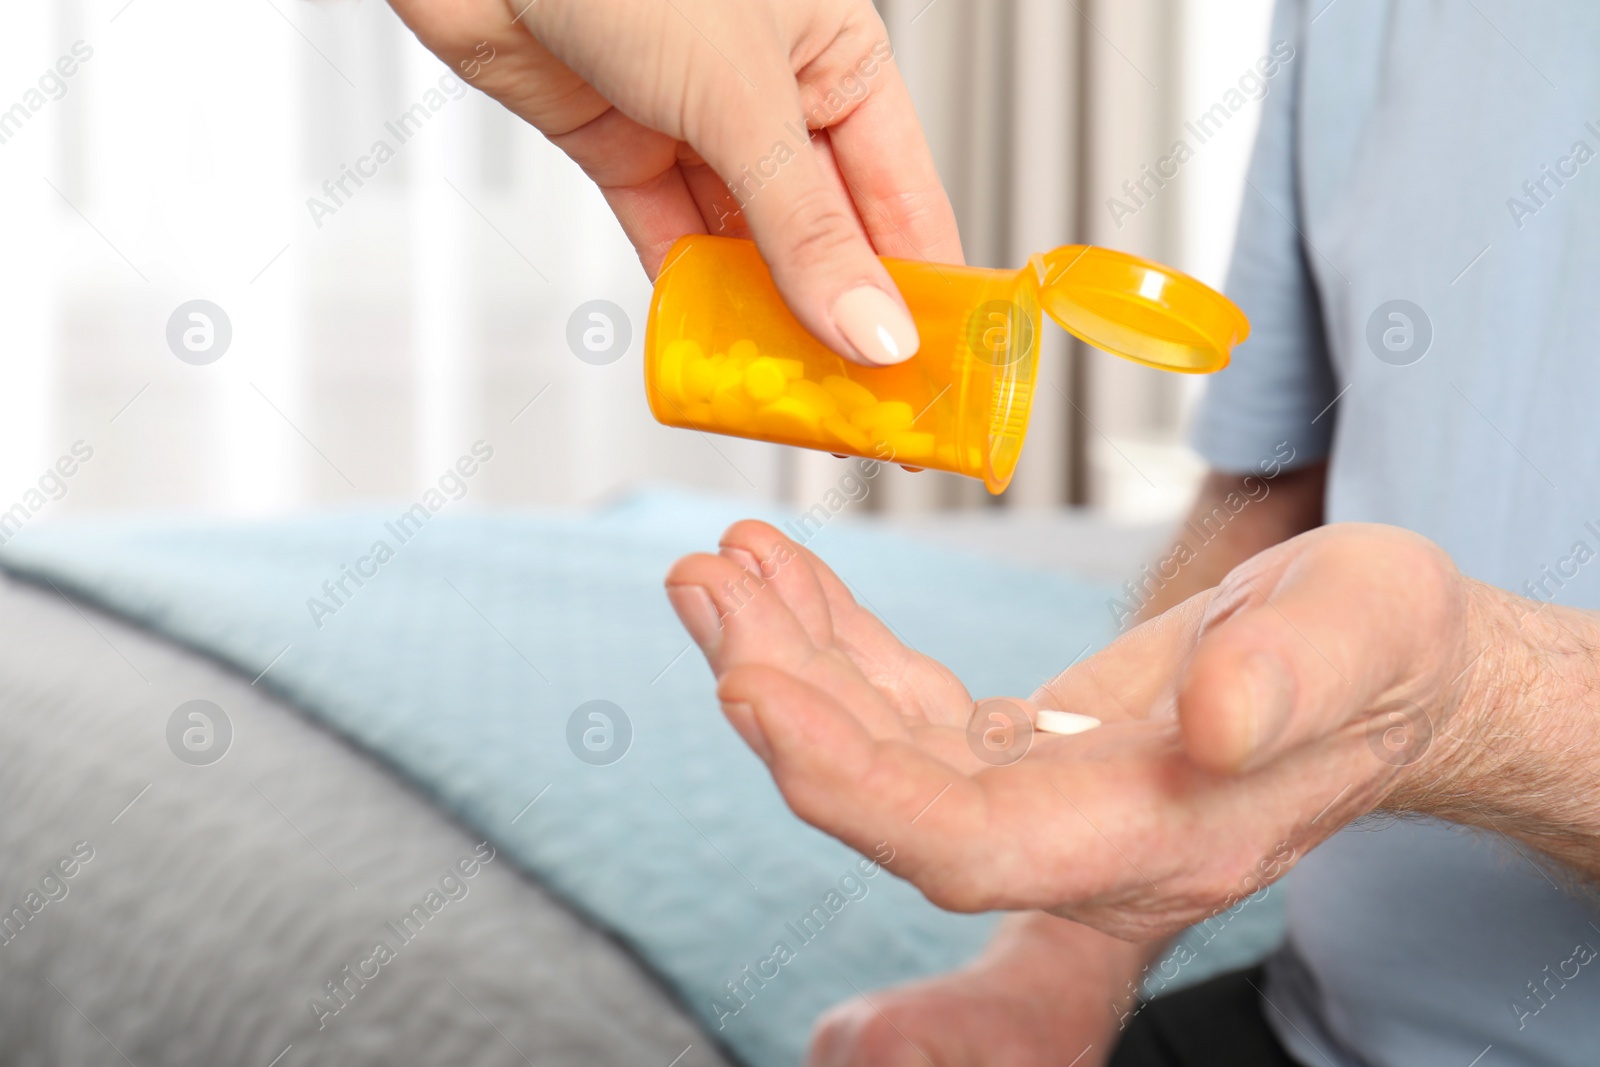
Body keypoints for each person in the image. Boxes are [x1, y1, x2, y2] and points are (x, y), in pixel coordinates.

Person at [393, 0, 1600, 1062]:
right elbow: (1278, 488)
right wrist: (1053, 972)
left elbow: (1430, 671)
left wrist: (1473, 704)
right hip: (1315, 1020)